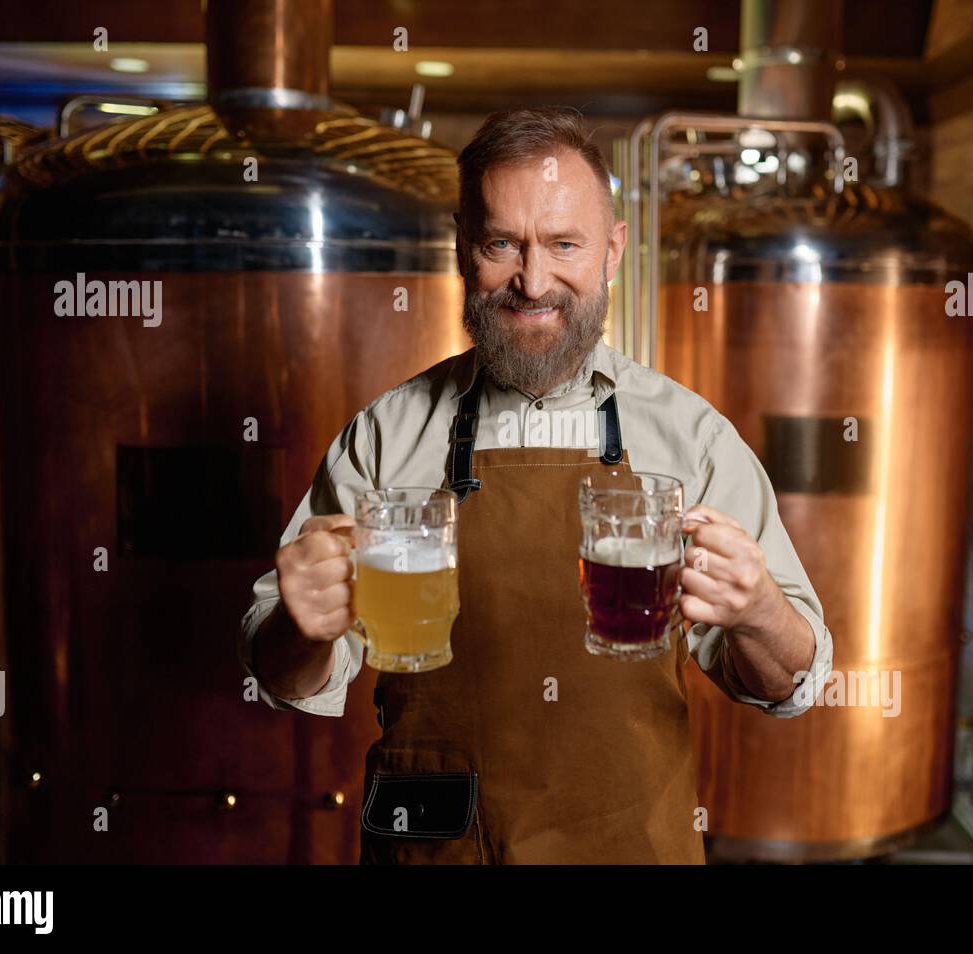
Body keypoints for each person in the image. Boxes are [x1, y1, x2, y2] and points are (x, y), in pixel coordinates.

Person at [239, 106, 832, 864]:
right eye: (501, 245)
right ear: (462, 247)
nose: (532, 281)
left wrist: (759, 613)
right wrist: (299, 625)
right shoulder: (388, 435)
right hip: (432, 846)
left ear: (613, 252)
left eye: (563, 244)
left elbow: (794, 682)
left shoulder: (694, 438)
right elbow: (284, 674)